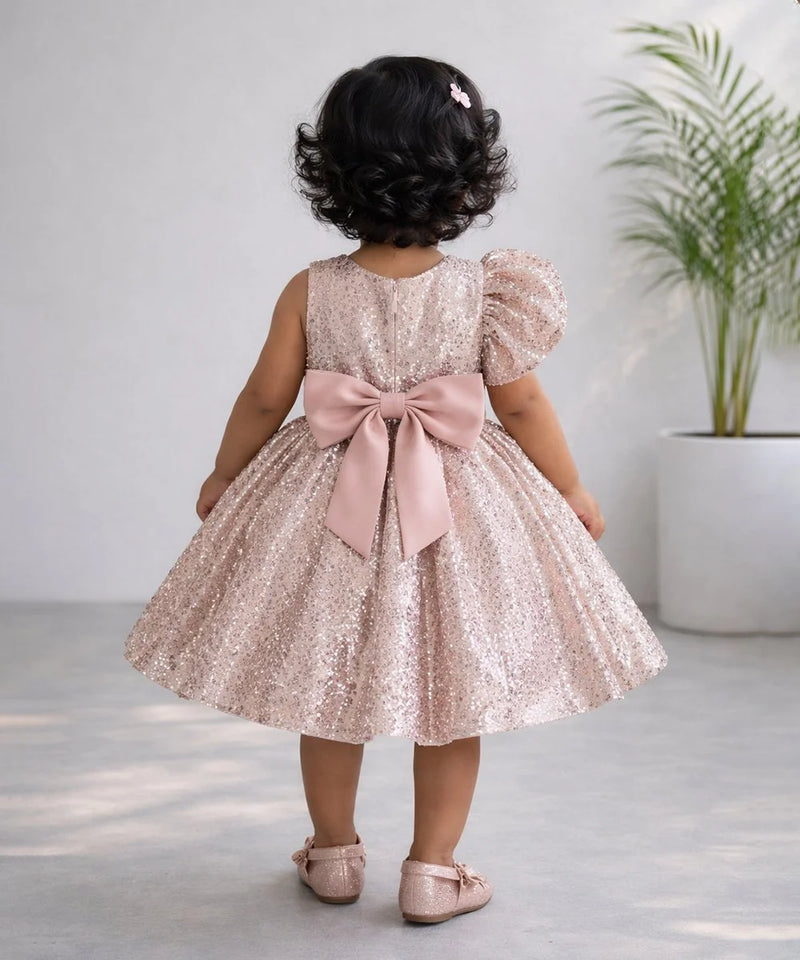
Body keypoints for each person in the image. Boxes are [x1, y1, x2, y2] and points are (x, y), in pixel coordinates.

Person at [124, 55, 668, 925]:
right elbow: (521, 405)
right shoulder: (483, 292)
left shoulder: (312, 289)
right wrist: (569, 487)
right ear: (466, 172)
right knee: (451, 693)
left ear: (335, 169)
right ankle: (433, 871)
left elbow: (265, 397)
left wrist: (226, 473)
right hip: (457, 507)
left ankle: (333, 854)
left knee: (326, 680)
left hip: (325, 502)